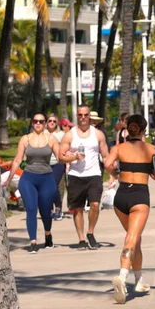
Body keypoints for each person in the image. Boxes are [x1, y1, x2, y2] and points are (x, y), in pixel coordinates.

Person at [104, 115, 155, 304]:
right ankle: (122, 277)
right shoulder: (152, 149)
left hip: (121, 196)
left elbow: (107, 164)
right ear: (144, 130)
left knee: (135, 238)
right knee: (131, 238)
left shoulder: (118, 148)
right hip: (139, 196)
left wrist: (115, 174)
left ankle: (139, 280)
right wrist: (150, 173)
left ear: (127, 129)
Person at [3, 113, 62, 253]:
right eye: (35, 121)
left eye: (41, 121)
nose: (38, 123)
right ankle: (33, 242)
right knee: (30, 208)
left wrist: (73, 159)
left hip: (46, 178)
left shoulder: (51, 139)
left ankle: (48, 234)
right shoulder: (25, 139)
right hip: (28, 178)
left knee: (46, 211)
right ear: (32, 122)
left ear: (45, 123)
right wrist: (9, 179)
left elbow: (60, 157)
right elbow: (17, 160)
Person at [60, 104, 110, 250]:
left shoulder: (98, 134)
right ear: (77, 116)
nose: (83, 118)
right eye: (80, 115)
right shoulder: (70, 135)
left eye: (85, 115)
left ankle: (90, 232)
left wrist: (113, 174)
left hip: (94, 174)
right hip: (76, 175)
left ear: (90, 116)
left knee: (95, 205)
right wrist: (74, 157)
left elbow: (106, 156)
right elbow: (60, 157)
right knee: (78, 209)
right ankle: (81, 239)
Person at [46, 114, 66, 221]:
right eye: (50, 121)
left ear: (57, 123)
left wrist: (67, 164)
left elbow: (66, 149)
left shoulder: (61, 135)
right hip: (45, 164)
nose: (52, 123)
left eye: (54, 121)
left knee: (53, 186)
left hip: (58, 163)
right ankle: (49, 209)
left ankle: (58, 208)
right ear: (46, 122)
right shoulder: (41, 134)